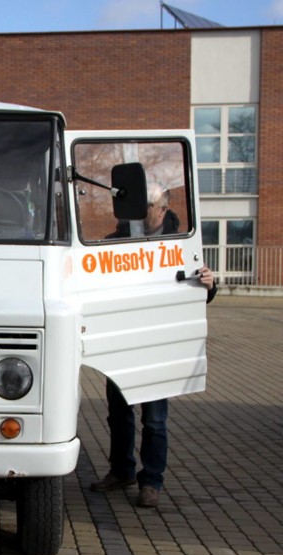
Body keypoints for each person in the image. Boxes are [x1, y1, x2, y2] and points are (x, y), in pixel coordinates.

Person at [91, 187, 217, 508]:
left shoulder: (180, 244)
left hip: (156, 345)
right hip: (121, 344)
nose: (139, 210)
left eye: (146, 205)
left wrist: (208, 285)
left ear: (162, 210)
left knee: (155, 419)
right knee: (119, 416)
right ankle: (121, 471)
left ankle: (151, 481)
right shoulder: (113, 242)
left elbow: (195, 291)